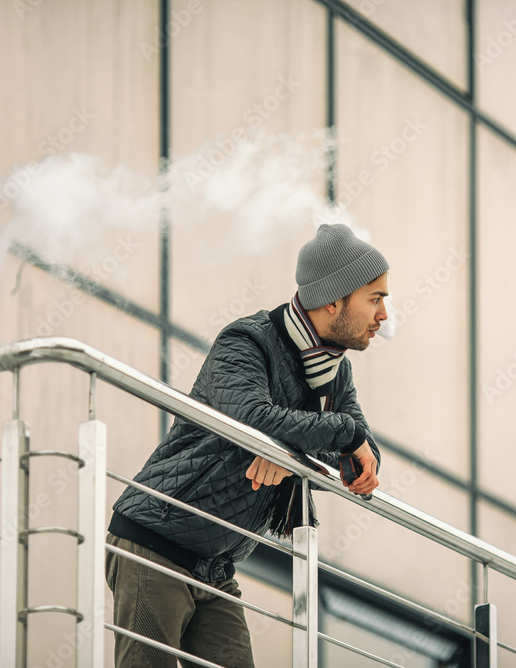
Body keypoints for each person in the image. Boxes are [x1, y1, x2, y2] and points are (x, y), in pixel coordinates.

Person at [106, 223, 388, 667]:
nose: (384, 315)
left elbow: (362, 458)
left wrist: (289, 456)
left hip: (216, 565)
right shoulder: (247, 341)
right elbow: (251, 419)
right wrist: (319, 440)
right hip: (156, 538)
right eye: (375, 298)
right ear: (334, 299)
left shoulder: (337, 371)